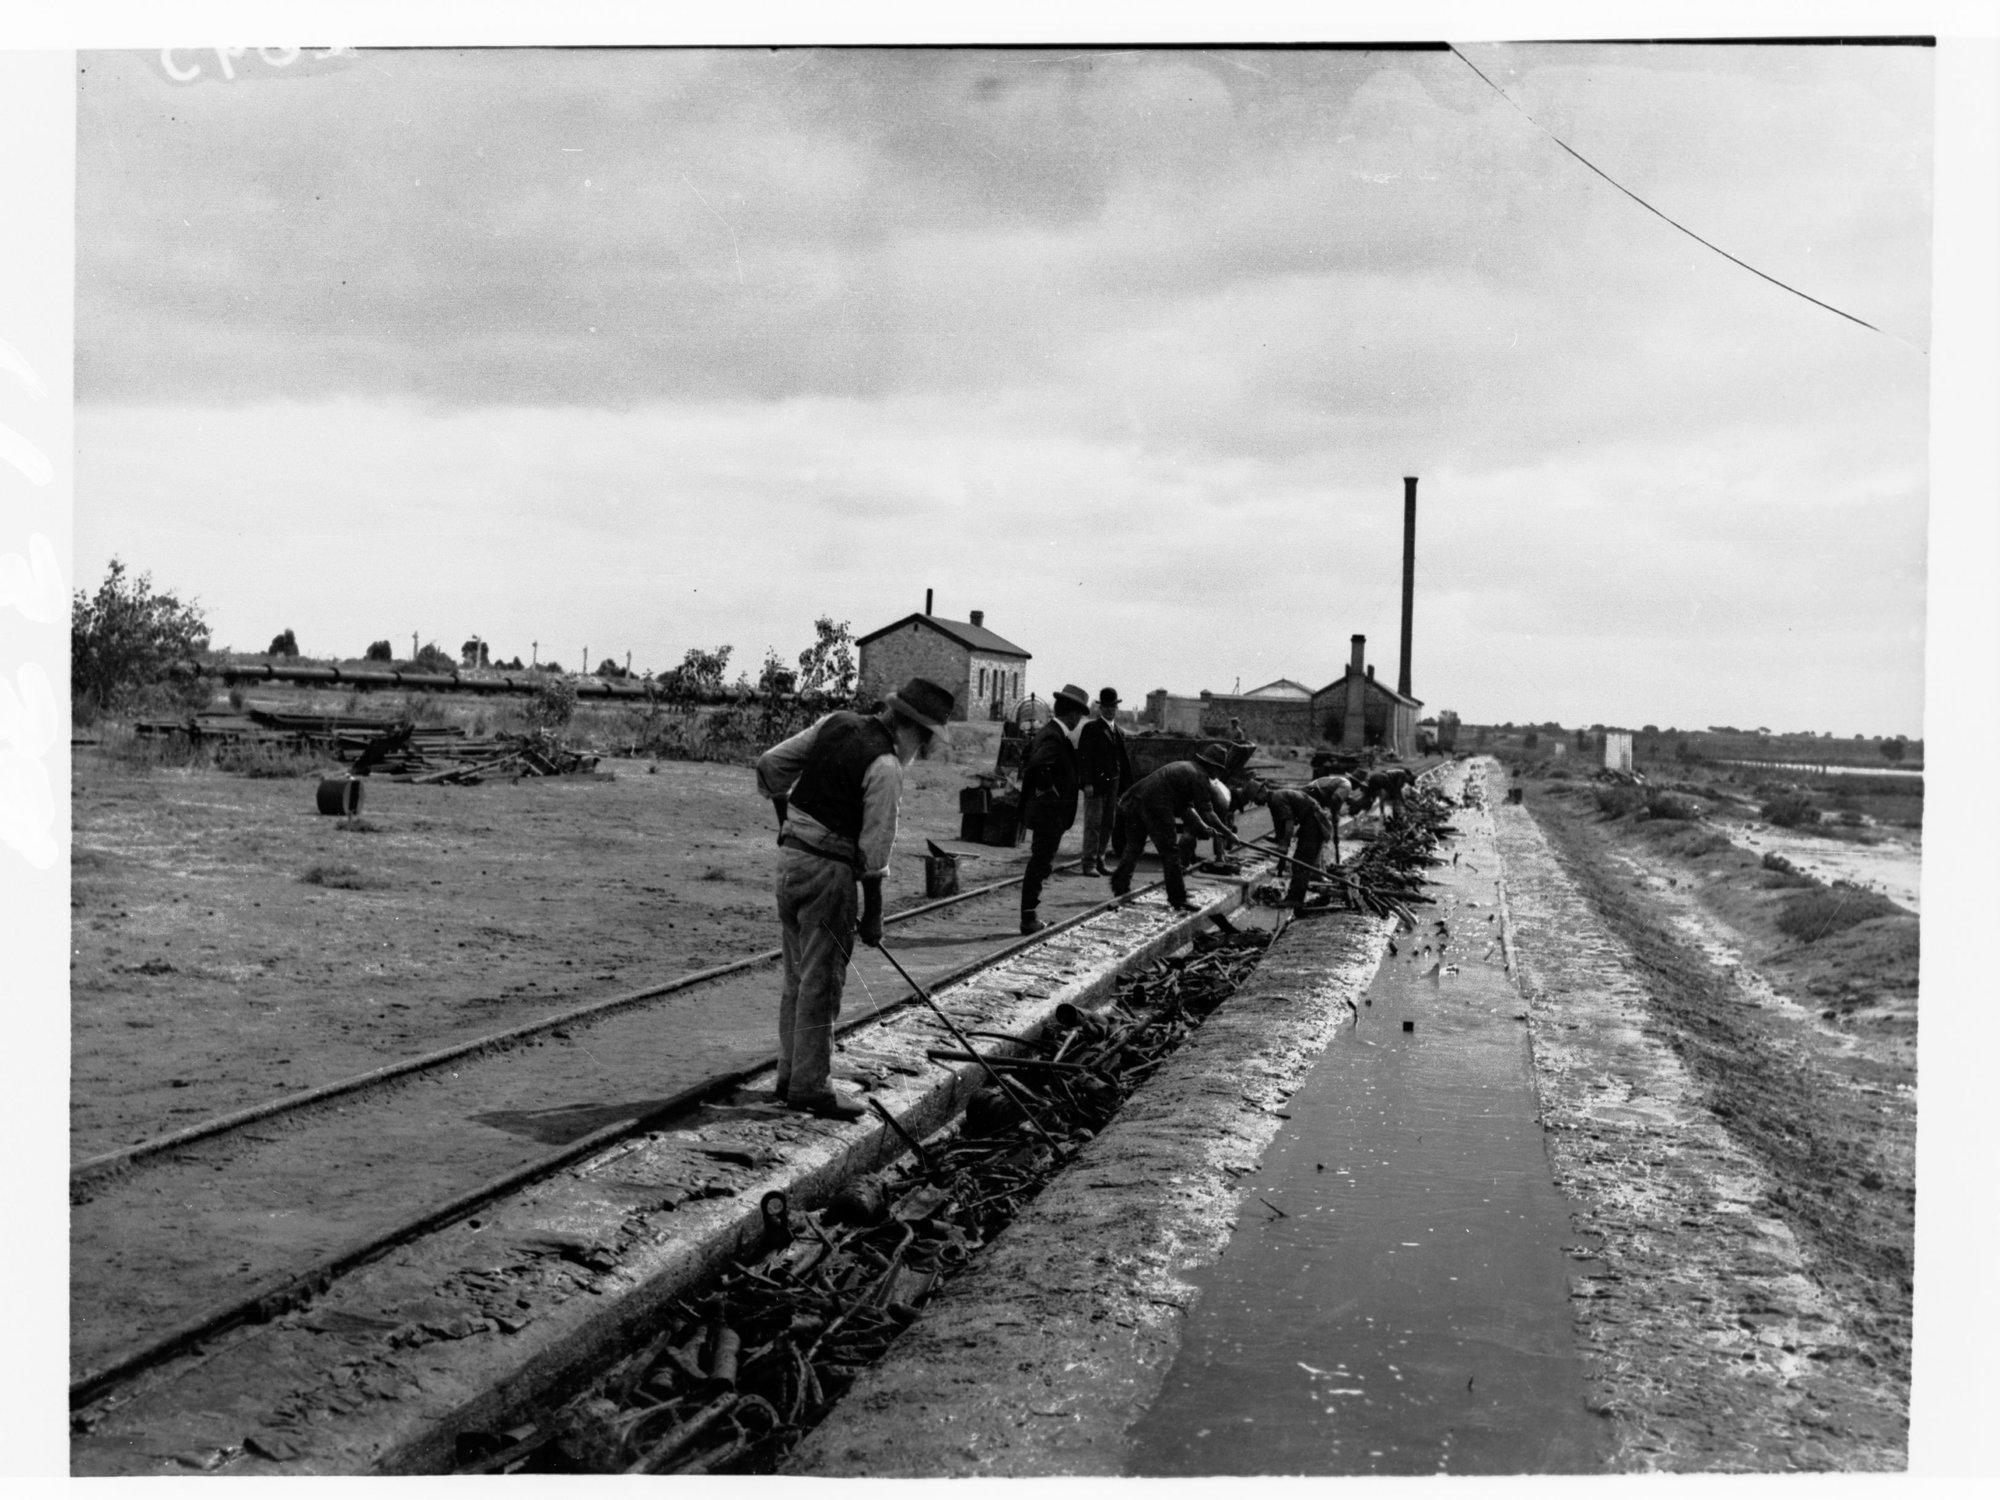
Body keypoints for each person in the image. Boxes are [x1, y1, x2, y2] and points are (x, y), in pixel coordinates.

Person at [754, 676, 954, 1119]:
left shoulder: (836, 722)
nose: (923, 748)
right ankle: (810, 1087)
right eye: (925, 738)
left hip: (790, 862)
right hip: (829, 873)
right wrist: (875, 917)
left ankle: (790, 1076)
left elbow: (770, 765)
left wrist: (789, 823)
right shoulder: (886, 766)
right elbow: (874, 852)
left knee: (797, 976)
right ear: (913, 729)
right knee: (822, 983)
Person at [1108, 744, 1236, 912]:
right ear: (1213, 766)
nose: (1218, 774)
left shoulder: (1188, 768)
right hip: (1156, 806)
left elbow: (1186, 808)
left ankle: (1120, 886)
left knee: (1134, 846)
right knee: (1170, 852)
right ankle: (1178, 898)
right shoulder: (1201, 777)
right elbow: (1208, 812)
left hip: (1135, 800)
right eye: (1219, 770)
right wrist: (1228, 833)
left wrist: (1203, 826)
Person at [1019, 683, 1090, 934]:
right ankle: (1028, 919)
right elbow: (1039, 766)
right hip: (1049, 815)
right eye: (1079, 715)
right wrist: (1051, 797)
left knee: (1041, 863)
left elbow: (1030, 759)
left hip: (1048, 814)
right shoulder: (1053, 735)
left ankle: (1030, 915)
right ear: (1073, 714)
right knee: (1040, 863)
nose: (1079, 720)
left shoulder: (1051, 732)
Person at [1241, 777, 1339, 906]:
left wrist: (1284, 845)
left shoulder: (1277, 799)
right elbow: (1280, 826)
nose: (1256, 802)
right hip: (1311, 823)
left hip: (1314, 824)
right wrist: (1281, 846)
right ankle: (1295, 896)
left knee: (1301, 863)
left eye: (1255, 798)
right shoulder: (1274, 799)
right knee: (1301, 862)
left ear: (1262, 791)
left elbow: (1289, 823)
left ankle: (1295, 899)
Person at [1077, 686, 1134, 876]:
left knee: (1108, 824)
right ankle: (1089, 863)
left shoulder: (1119, 732)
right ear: (1100, 708)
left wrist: (1126, 788)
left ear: (1116, 708)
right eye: (1106, 707)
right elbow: (1084, 758)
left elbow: (1123, 763)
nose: (1110, 710)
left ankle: (1100, 860)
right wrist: (1086, 783)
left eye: (1113, 707)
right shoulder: (1091, 729)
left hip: (1113, 787)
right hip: (1095, 785)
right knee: (1093, 825)